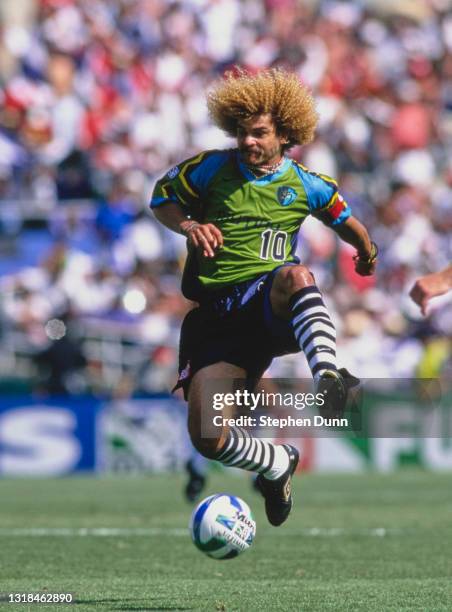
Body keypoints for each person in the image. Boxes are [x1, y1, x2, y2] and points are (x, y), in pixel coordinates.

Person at [150, 68, 377, 526]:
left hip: (267, 306)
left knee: (295, 275)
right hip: (216, 322)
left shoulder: (307, 184)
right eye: (242, 133)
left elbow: (345, 219)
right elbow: (161, 199)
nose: (248, 142)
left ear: (285, 134)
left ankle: (329, 376)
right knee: (207, 437)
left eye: (259, 134)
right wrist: (190, 226)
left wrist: (367, 251)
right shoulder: (211, 168)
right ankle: (275, 464)